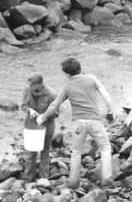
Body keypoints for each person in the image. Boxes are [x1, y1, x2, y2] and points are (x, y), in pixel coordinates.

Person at [37, 57, 115, 188]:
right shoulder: (91, 79)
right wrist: (110, 111)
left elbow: (55, 105)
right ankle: (106, 179)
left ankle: (73, 182)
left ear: (67, 73)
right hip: (94, 120)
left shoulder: (67, 86)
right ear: (80, 68)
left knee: (76, 152)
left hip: (78, 122)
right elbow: (106, 95)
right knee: (105, 148)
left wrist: (43, 117)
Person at [21, 73, 57, 180]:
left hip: (47, 127)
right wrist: (29, 110)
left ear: (39, 84)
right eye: (29, 85)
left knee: (45, 152)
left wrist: (44, 116)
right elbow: (23, 106)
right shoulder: (27, 90)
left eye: (32, 85)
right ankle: (28, 176)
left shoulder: (52, 95)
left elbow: (57, 113)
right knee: (31, 152)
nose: (30, 88)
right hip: (31, 127)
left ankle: (44, 177)